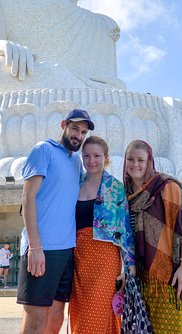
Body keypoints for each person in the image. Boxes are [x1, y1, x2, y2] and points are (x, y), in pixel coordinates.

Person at [17, 108, 93, 334]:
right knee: (36, 320)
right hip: (42, 248)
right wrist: (35, 247)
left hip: (66, 250)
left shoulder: (77, 162)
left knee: (55, 320)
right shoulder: (44, 150)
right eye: (75, 129)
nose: (78, 135)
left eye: (83, 132)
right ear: (63, 125)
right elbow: (28, 198)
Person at [124, 140, 182, 333]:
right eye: (131, 159)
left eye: (141, 160)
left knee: (179, 326)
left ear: (149, 161)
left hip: (176, 269)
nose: (136, 164)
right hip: (148, 276)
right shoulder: (125, 194)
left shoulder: (166, 186)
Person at [69, 136, 135, 334]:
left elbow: (125, 230)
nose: (91, 160)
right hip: (77, 258)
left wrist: (129, 266)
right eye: (86, 155)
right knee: (79, 313)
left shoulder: (115, 188)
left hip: (105, 259)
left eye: (97, 155)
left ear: (105, 157)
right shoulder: (73, 184)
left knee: (98, 312)